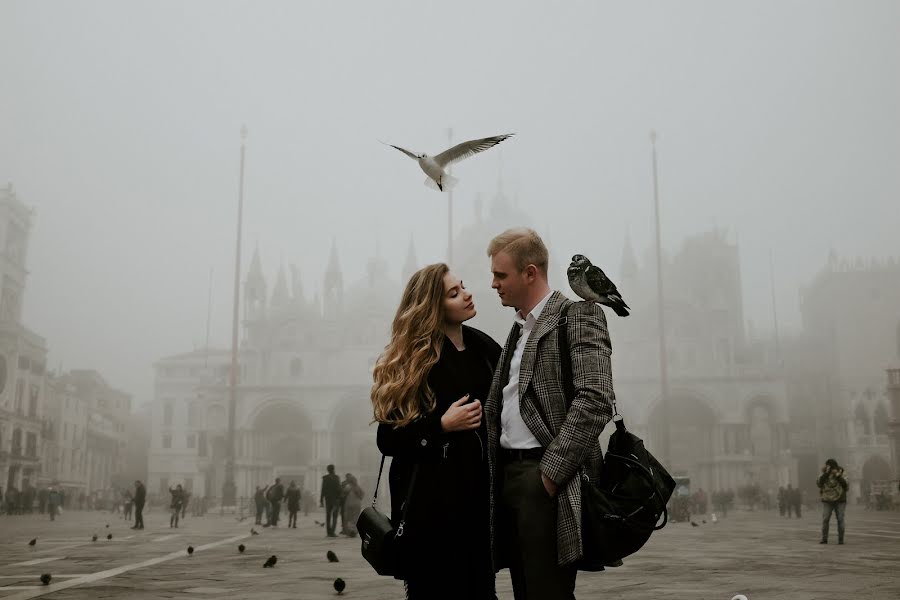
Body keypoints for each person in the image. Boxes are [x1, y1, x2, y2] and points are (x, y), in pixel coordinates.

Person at [484, 228, 616, 600]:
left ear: (530, 273)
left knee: (547, 593)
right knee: (525, 590)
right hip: (509, 476)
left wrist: (550, 475)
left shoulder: (577, 316)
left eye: (500, 275)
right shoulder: (518, 329)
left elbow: (596, 397)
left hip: (541, 477)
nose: (493, 284)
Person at [374, 263, 501, 600]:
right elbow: (387, 438)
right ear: (433, 305)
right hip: (430, 514)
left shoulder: (486, 350)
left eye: (463, 286)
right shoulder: (412, 359)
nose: (468, 294)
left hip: (478, 507)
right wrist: (441, 425)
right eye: (454, 293)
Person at [817, 458, 849, 544]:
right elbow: (819, 483)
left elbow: (846, 484)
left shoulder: (841, 472)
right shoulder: (824, 472)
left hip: (840, 500)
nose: (830, 469)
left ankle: (841, 540)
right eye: (828, 466)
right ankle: (824, 539)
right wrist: (826, 474)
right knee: (825, 519)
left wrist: (837, 475)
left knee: (840, 519)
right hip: (827, 500)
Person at [320, 465, 342, 537]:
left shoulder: (325, 478)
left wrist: (321, 500)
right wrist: (340, 497)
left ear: (328, 470)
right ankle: (332, 532)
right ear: (333, 469)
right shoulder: (336, 478)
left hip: (328, 499)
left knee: (328, 515)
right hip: (335, 499)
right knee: (334, 516)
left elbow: (323, 489)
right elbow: (339, 489)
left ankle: (328, 532)